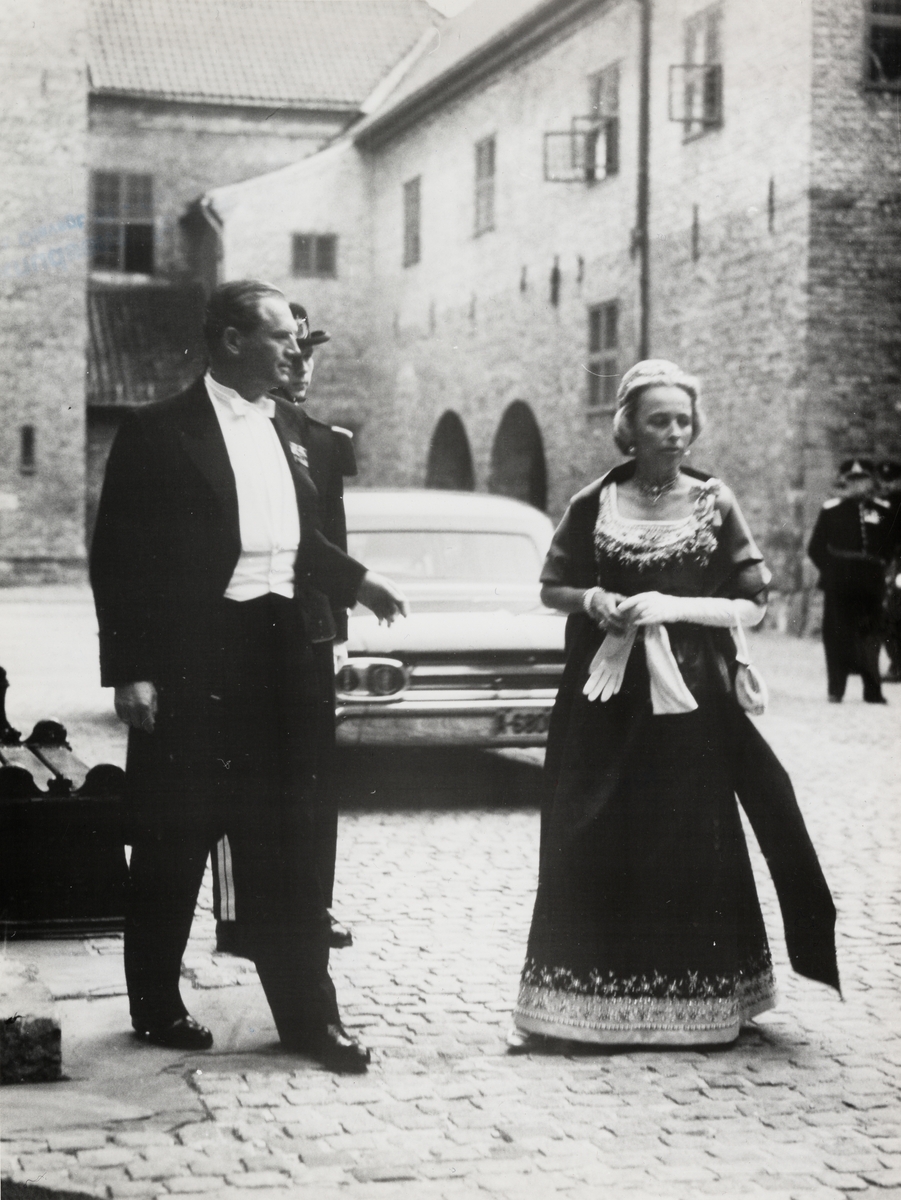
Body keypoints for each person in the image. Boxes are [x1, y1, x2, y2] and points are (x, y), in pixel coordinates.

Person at [90, 280, 407, 1071]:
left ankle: (309, 1018)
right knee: (176, 832)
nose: (295, 350)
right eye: (279, 337)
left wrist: (355, 582)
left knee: (291, 838)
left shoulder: (299, 430)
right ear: (232, 340)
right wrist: (131, 671)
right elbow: (118, 560)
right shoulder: (158, 431)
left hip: (284, 654)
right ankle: (156, 1001)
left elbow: (299, 538)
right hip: (197, 652)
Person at [510, 359, 839, 1049]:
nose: (673, 433)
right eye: (658, 420)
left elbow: (752, 601)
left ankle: (699, 1002)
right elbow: (551, 586)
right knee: (589, 829)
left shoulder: (713, 502)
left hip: (688, 704)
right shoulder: (591, 503)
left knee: (685, 839)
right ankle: (579, 1007)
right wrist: (592, 599)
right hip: (602, 702)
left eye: (683, 420)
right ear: (627, 428)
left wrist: (676, 606)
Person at [213, 303, 355, 956]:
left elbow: (331, 538)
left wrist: (341, 625)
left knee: (311, 781)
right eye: (290, 347)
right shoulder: (235, 427)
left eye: (309, 351)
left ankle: (313, 905)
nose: (300, 363)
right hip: (244, 624)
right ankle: (239, 915)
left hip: (307, 626)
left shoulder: (323, 439)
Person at [807, 458, 896, 703]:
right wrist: (833, 571)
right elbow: (815, 548)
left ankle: (873, 690)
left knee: (871, 636)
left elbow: (892, 545)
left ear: (871, 481)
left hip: (871, 583)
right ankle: (836, 689)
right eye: (853, 480)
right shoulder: (831, 509)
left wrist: (883, 568)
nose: (858, 485)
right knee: (837, 635)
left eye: (863, 479)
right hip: (839, 583)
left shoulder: (883, 510)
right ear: (845, 482)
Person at [875, 460, 901, 683]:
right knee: (888, 619)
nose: (889, 485)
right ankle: (896, 663)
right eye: (885, 481)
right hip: (890, 568)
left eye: (893, 480)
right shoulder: (882, 506)